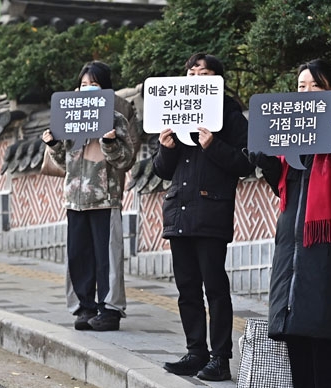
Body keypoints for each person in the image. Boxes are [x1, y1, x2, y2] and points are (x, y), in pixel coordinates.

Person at [248, 58, 331, 388]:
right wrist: (266, 162)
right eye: (301, 86)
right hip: (290, 249)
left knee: (327, 340)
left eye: (316, 85)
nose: (307, 92)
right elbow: (285, 189)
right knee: (296, 339)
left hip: (328, 247)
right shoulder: (289, 133)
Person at [154, 53, 254, 381]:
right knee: (186, 289)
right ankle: (195, 351)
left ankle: (220, 357)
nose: (197, 76)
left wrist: (213, 145)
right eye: (192, 71)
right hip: (179, 211)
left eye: (205, 72)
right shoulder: (176, 108)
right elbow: (162, 171)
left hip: (211, 211)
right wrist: (166, 147)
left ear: (217, 78)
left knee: (214, 287)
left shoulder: (230, 114)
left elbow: (245, 163)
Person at [42, 61, 139, 332]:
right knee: (78, 255)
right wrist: (52, 144)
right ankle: (83, 307)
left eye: (93, 85)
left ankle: (109, 309)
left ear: (105, 89)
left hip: (105, 197)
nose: (87, 89)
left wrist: (108, 142)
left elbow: (125, 160)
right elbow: (62, 162)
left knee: (107, 256)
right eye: (83, 85)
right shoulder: (67, 118)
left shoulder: (115, 119)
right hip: (74, 199)